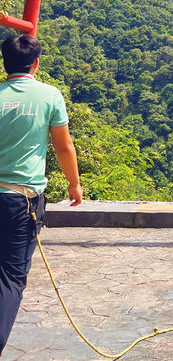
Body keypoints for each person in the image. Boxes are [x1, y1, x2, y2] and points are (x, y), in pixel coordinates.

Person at [0, 34, 82, 354]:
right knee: (10, 278)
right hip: (21, 202)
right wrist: (73, 184)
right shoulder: (49, 96)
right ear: (35, 63)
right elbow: (63, 146)